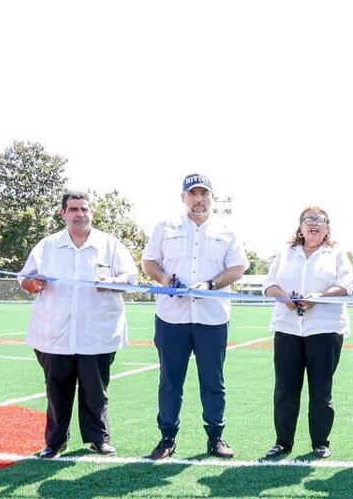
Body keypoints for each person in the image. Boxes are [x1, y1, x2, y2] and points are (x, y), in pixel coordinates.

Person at [19, 189, 139, 458]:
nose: (79, 214)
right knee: (56, 392)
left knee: (96, 391)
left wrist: (112, 283)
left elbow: (131, 278)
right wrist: (33, 284)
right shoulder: (47, 246)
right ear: (63, 214)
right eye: (73, 209)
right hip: (54, 333)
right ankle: (55, 442)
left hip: (97, 333)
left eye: (84, 209)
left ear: (92, 212)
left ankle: (99, 439)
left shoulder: (110, 245)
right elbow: (24, 279)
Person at [141, 173, 248, 460]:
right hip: (171, 317)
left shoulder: (228, 230)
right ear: (183, 197)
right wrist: (164, 278)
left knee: (213, 381)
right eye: (193, 194)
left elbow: (237, 268)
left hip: (212, 318)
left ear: (212, 198)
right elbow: (148, 261)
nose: (198, 199)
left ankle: (215, 437)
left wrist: (211, 285)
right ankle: (167, 438)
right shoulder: (165, 227)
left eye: (204, 194)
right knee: (169, 381)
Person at [262, 206, 353, 460]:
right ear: (300, 227)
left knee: (321, 389)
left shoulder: (336, 253)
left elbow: (344, 286)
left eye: (320, 220)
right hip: (287, 328)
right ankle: (282, 442)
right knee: (285, 388)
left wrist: (318, 298)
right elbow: (269, 285)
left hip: (325, 329)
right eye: (309, 219)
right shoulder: (285, 252)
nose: (314, 224)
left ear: (327, 228)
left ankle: (320, 443)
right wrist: (284, 297)